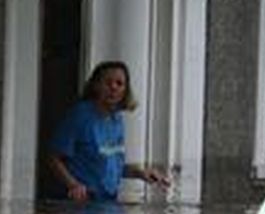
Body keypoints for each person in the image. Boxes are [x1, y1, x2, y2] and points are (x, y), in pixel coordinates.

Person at [46, 61, 171, 202]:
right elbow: (53, 158)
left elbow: (111, 165)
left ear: (125, 90)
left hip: (108, 204)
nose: (113, 87)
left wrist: (140, 173)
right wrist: (73, 185)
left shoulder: (117, 119)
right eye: (108, 82)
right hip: (81, 205)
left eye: (119, 83)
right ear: (96, 86)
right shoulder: (79, 115)